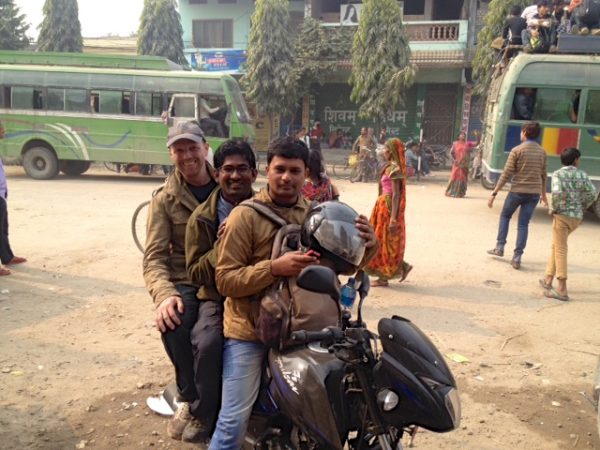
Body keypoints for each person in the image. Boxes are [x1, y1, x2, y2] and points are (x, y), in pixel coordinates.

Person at [210, 136, 377, 450]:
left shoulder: (316, 214)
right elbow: (226, 281)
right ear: (267, 171)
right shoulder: (244, 217)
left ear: (305, 174)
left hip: (301, 330)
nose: (287, 177)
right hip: (249, 332)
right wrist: (274, 268)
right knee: (233, 420)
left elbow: (340, 269)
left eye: (295, 171)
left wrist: (368, 245)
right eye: (280, 169)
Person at [142, 120, 218, 442]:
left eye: (192, 148)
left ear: (205, 148)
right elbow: (154, 258)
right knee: (172, 321)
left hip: (223, 279)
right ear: (170, 154)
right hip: (184, 281)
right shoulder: (163, 199)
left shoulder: (229, 183)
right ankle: (188, 398)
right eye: (179, 150)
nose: (187, 156)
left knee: (213, 341)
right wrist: (163, 295)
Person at [183, 139, 257, 442]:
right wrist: (221, 245)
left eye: (242, 169)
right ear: (217, 174)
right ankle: (204, 413)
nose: (235, 176)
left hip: (259, 290)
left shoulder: (269, 206)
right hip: (216, 296)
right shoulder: (202, 217)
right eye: (228, 169)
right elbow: (196, 272)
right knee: (209, 343)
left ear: (254, 173)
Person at [487, 121, 548, 270]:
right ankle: (517, 257)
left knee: (505, 216)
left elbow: (506, 174)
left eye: (522, 131)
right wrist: (543, 195)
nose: (521, 133)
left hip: (517, 192)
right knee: (523, 224)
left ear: (525, 132)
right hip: (533, 194)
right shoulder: (542, 152)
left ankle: (500, 247)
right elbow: (543, 175)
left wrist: (494, 193)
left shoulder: (516, 150)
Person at [541, 147, 597, 301]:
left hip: (562, 216)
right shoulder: (582, 174)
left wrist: (555, 209)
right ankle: (548, 279)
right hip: (576, 217)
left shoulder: (558, 174)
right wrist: (582, 205)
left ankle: (562, 289)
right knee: (556, 245)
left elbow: (557, 194)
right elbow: (592, 194)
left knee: (560, 248)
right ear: (575, 160)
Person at [365, 138, 412, 287]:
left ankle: (383, 277)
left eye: (385, 148)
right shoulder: (388, 167)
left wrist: (393, 218)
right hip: (381, 206)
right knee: (380, 238)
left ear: (391, 151)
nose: (383, 151)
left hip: (388, 208)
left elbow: (397, 194)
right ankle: (402, 266)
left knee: (383, 241)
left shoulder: (395, 169)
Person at [0, 121, 27, 276]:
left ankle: (7, 257)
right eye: (2, 128)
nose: (4, 130)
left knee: (3, 228)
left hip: (1, 194)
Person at [445, 130, 481, 198]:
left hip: (464, 164)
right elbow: (451, 153)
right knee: (454, 177)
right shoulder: (455, 144)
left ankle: (460, 193)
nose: (463, 136)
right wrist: (454, 160)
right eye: (461, 134)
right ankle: (451, 192)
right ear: (458, 136)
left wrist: (477, 136)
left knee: (462, 178)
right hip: (457, 164)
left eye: (464, 135)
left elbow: (476, 143)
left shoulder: (468, 144)